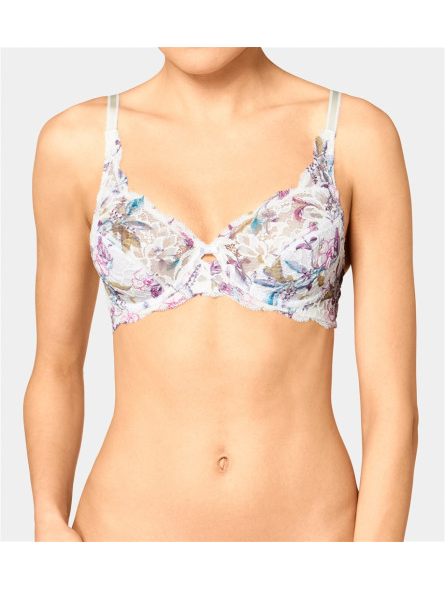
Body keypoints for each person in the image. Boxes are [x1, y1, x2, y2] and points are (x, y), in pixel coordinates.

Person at [23, 47, 418, 542]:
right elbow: (57, 366)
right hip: (119, 538)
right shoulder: (75, 144)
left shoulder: (357, 135)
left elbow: (391, 407)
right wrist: (47, 517)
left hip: (313, 539)